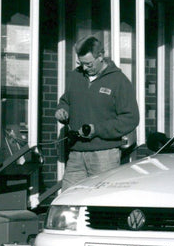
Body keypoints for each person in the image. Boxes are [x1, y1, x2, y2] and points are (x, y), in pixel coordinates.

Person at [55, 36, 139, 190]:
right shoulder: (76, 76)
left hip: (105, 155)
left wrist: (97, 129)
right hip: (76, 153)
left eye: (88, 64)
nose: (85, 68)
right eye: (81, 63)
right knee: (68, 199)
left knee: (102, 201)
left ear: (100, 56)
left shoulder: (119, 81)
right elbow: (66, 101)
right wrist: (62, 111)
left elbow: (130, 118)